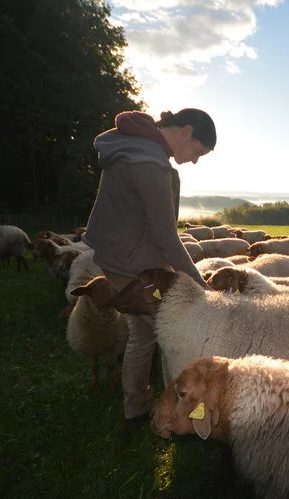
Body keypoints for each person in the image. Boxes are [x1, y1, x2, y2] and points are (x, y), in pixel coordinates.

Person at [82, 108, 216, 424]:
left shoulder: (131, 147)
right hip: (136, 269)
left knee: (142, 337)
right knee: (176, 338)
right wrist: (200, 285)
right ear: (185, 131)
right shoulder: (150, 163)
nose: (195, 160)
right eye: (198, 151)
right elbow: (166, 236)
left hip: (118, 261)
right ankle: (188, 414)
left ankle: (136, 408)